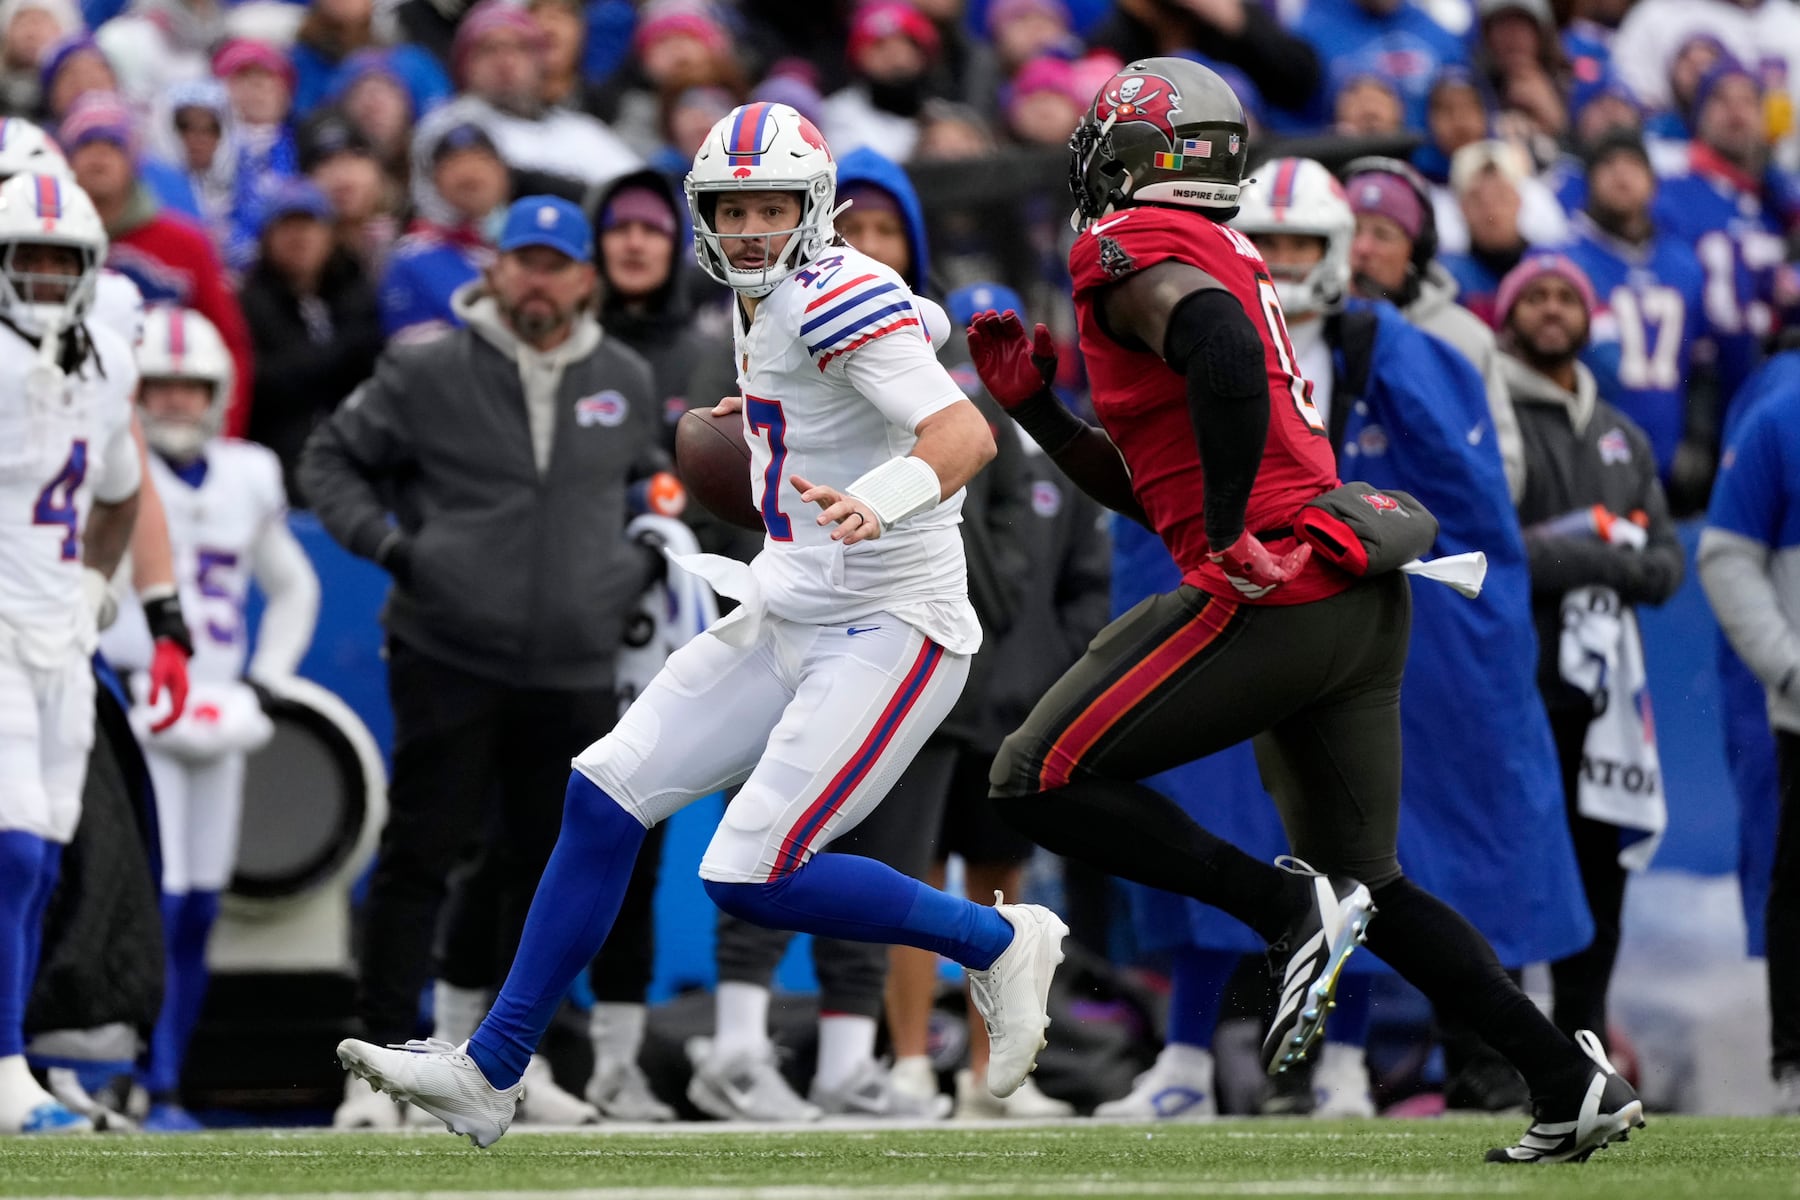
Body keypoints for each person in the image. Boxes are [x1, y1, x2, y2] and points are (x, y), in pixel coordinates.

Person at [332, 103, 1068, 1149]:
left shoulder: (836, 292)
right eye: (735, 208)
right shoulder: (775, 297)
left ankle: (996, 939)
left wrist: (885, 495)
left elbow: (959, 429)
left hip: (892, 621)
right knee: (600, 796)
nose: (754, 228)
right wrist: (764, 433)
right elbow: (883, 348)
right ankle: (493, 1070)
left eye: (774, 207)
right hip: (790, 598)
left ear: (814, 212)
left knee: (749, 876)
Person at [968, 56, 1641, 1163]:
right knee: (1371, 883)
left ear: (1129, 157)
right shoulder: (1220, 248)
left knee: (1033, 778)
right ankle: (1568, 1080)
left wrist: (1234, 530)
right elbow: (1157, 492)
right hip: (1354, 593)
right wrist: (1040, 407)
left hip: (1283, 586)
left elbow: (1223, 362)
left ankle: (1281, 912)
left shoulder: (1124, 246)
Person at [1097, 156, 1587, 1121]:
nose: (1281, 262)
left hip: (1337, 616)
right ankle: (1186, 1063)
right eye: (1266, 243)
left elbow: (1462, 499)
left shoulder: (1396, 349)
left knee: (1354, 847)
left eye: (1301, 245)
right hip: (1223, 600)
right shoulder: (1186, 328)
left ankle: (1347, 1069)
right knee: (1206, 820)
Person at [302, 194, 670, 1131]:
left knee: (538, 864)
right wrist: (396, 549)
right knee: (422, 851)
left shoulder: (624, 375)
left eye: (555, 263)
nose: (538, 279)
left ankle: (507, 1059)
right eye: (523, 260)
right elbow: (331, 460)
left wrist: (633, 561)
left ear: (585, 277)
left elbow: (656, 482)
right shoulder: (426, 367)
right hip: (448, 643)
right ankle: (374, 1064)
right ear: (494, 269)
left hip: (575, 659)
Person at [96, 305, 320, 1132]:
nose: (177, 402)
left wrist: (266, 680)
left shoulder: (248, 473)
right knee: (140, 900)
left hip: (216, 702)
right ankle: (109, 1070)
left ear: (217, 391)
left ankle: (164, 1080)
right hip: (130, 698)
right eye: (160, 385)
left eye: (192, 387)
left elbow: (295, 585)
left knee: (196, 906)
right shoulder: (113, 463)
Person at [1497, 253, 1683, 1040]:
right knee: (1505, 871)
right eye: (1533, 297)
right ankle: (1490, 1054)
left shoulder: (1621, 436)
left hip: (1604, 702)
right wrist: (1609, 553)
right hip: (1513, 686)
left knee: (1599, 872)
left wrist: (1575, 552)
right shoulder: (1494, 417)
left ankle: (1583, 1043)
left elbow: (1667, 567)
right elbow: (1499, 554)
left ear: (1587, 316)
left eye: (1562, 298)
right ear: (1508, 317)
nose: (1548, 310)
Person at [0, 170, 144, 1134]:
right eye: (29, 258)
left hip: (59, 631)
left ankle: (17, 1059)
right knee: (12, 850)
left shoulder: (102, 366)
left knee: (46, 855)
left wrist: (98, 584)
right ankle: (9, 1070)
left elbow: (123, 489)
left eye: (63, 259)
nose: (47, 277)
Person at [1698, 348, 1800, 1116]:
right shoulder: (1780, 419)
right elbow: (1727, 556)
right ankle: (1796, 1062)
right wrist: (1790, 670)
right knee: (1795, 880)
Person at [61, 95, 256, 437]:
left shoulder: (186, 243)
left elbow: (230, 343)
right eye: (87, 143)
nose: (99, 156)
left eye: (112, 144)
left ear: (133, 159)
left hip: (169, 425)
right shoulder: (47, 244)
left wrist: (225, 430)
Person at [1343, 156, 1525, 501]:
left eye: (1382, 234)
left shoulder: (1465, 338)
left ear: (1417, 252)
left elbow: (1505, 470)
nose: (1362, 249)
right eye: (1352, 231)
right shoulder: (1305, 326)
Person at [1559, 131, 1716, 508]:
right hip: (1588, 455)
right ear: (1589, 180)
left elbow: (1703, 365)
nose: (1621, 175)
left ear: (1652, 181)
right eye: (1608, 165)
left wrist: (1698, 436)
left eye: (1633, 165)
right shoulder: (1563, 260)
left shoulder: (1683, 263)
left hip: (1668, 454)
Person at [1652, 59, 1794, 413]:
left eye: (1748, 101)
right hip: (1700, 382)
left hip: (1769, 376)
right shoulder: (1672, 192)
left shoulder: (1775, 202)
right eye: (1721, 100)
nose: (1736, 111)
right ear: (1699, 114)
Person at [238, 179, 382, 502]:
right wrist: (336, 354)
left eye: (311, 226)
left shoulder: (357, 293)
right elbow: (261, 382)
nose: (300, 238)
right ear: (267, 238)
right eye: (287, 227)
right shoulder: (248, 303)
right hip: (279, 456)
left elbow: (375, 373)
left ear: (330, 236)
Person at [412, 0, 640, 193]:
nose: (505, 61)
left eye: (520, 48)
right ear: (465, 65)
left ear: (539, 63)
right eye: (489, 49)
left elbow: (637, 191)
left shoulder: (581, 130)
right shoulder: (447, 124)